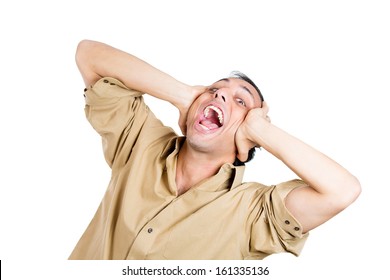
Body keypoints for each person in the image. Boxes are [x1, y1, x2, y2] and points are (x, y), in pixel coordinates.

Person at [69, 40, 361, 260]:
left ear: (246, 142)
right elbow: (89, 54)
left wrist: (261, 131)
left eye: (241, 102)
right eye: (213, 89)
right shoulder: (141, 142)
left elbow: (342, 191)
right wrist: (183, 95)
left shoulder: (252, 213)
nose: (220, 94)